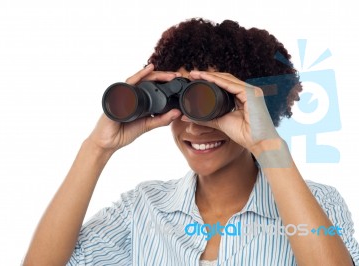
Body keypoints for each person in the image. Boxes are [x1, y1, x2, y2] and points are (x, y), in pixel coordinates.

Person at [23, 18, 359, 265]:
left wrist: (267, 145)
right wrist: (97, 148)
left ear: (252, 106)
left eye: (209, 103)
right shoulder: (143, 209)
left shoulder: (318, 204)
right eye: (180, 103)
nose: (195, 126)